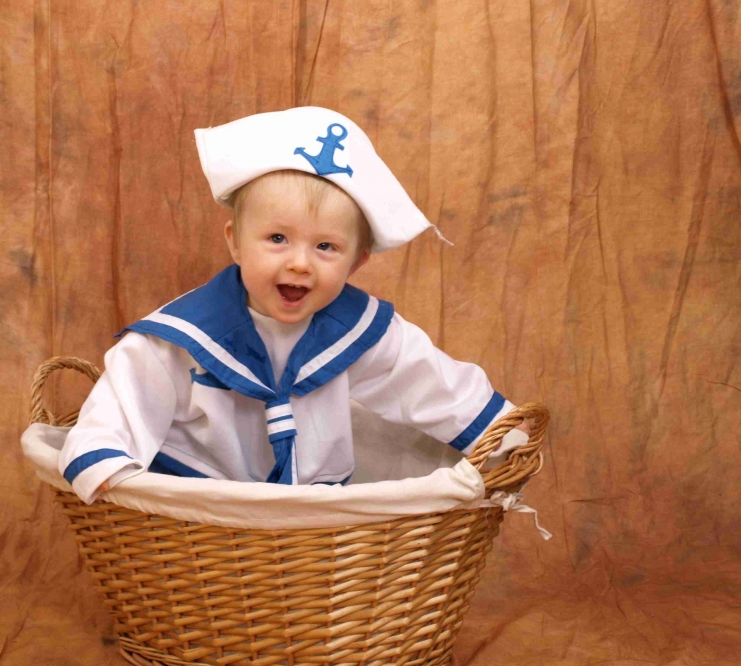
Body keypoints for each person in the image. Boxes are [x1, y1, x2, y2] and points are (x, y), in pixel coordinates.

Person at [59, 107, 530, 505]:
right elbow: (127, 395)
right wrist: (104, 458)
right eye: (277, 238)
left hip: (311, 518)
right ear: (236, 242)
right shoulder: (183, 334)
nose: (300, 263)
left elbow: (427, 381)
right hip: (192, 505)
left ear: (357, 261)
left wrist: (504, 434)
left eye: (326, 246)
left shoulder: (359, 330)